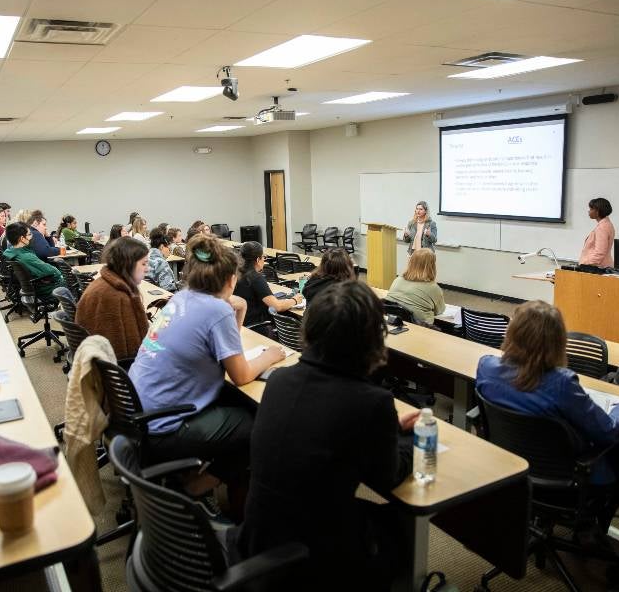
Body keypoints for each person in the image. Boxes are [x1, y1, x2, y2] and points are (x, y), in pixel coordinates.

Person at [238, 281, 418, 591]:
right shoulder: (370, 402)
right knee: (400, 522)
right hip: (313, 552)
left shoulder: (279, 379)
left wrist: (384, 428)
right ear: (373, 339)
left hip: (257, 534)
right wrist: (406, 438)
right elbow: (391, 475)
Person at [129, 234, 286, 513]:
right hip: (166, 426)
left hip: (141, 412)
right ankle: (192, 490)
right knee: (261, 426)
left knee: (236, 404)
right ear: (230, 280)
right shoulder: (215, 311)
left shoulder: (181, 298)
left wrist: (239, 310)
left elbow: (227, 348)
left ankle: (197, 477)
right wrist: (270, 355)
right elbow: (241, 375)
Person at [476, 300, 619, 532]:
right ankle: (597, 524)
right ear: (557, 343)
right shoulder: (562, 383)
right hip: (565, 483)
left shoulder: (486, 367)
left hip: (511, 467)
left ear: (511, 333)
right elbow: (609, 432)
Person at [75, 238, 149, 360]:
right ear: (127, 263)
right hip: (114, 371)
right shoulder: (116, 297)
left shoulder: (105, 284)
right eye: (144, 263)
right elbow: (126, 353)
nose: (147, 269)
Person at [234, 241, 303, 329]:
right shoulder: (255, 278)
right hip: (257, 325)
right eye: (263, 257)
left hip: (240, 321)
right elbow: (278, 306)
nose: (264, 260)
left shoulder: (236, 274)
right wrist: (295, 300)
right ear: (258, 260)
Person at [2, 222, 63, 300]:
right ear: (22, 239)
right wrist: (62, 274)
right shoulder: (27, 257)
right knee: (73, 282)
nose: (32, 237)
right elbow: (53, 272)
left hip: (33, 288)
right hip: (45, 289)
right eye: (29, 234)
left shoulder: (10, 251)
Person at [385, 248, 446, 325]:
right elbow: (439, 311)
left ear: (411, 262)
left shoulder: (398, 280)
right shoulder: (434, 288)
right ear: (432, 266)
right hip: (422, 329)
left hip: (395, 324)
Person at [579, 197, 615, 268]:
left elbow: (600, 253)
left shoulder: (602, 227)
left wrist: (584, 264)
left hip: (597, 268)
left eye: (591, 209)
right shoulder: (607, 224)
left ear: (598, 211)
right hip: (602, 266)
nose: (589, 211)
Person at [146, 227, 177, 292]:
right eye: (169, 248)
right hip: (159, 297)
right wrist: (179, 284)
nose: (170, 252)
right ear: (162, 246)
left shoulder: (144, 258)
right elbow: (167, 287)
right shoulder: (161, 263)